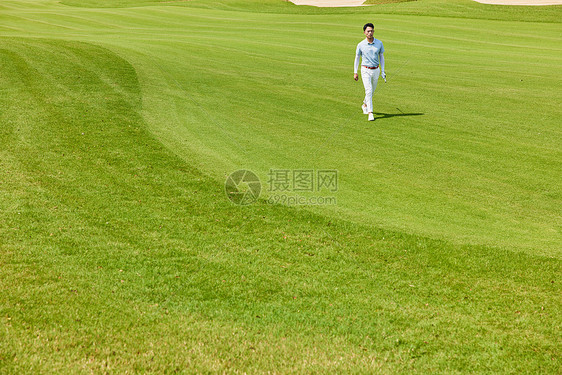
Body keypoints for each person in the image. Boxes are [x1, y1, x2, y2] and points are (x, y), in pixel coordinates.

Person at [354, 23, 386, 121]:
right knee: (368, 90)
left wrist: (383, 70)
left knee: (372, 90)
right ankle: (370, 112)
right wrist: (355, 72)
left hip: (376, 69)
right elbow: (357, 58)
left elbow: (381, 56)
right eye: (368, 31)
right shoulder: (360, 45)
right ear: (364, 32)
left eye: (371, 31)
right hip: (365, 70)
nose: (370, 33)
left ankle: (364, 104)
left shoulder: (379, 43)